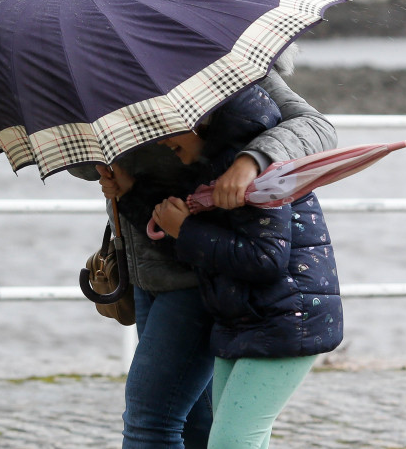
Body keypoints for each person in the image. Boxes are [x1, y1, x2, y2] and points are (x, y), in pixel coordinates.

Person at [75, 50, 338, 449]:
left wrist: (251, 160)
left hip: (202, 268)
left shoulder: (216, 59)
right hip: (149, 261)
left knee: (152, 420)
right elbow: (78, 162)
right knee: (198, 425)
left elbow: (313, 127)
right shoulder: (99, 66)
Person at [145, 86, 342, 449]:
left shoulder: (247, 165)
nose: (156, 139)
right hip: (245, 318)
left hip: (286, 318)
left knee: (231, 442)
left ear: (198, 113)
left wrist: (185, 231)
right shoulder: (212, 164)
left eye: (161, 122)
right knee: (243, 440)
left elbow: (267, 259)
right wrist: (132, 197)